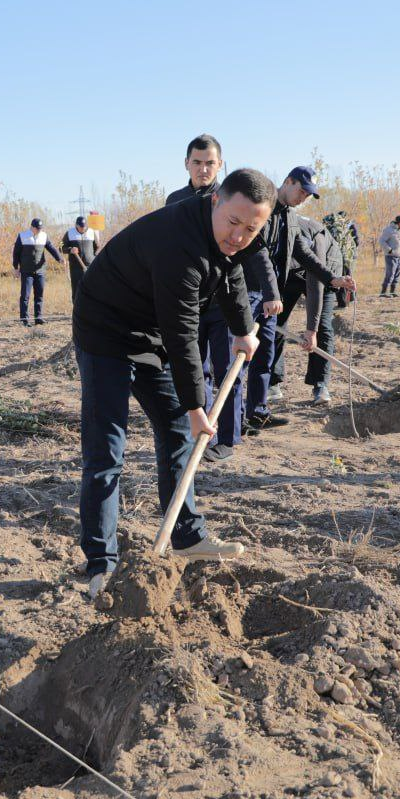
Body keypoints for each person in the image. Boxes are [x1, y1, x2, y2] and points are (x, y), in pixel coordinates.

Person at [73, 168, 273, 600]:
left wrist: (242, 328)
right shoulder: (178, 244)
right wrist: (197, 406)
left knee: (178, 431)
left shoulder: (229, 239)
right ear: (216, 199)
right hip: (105, 328)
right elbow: (182, 332)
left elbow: (232, 274)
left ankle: (185, 535)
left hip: (149, 332)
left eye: (251, 229)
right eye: (234, 223)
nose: (239, 236)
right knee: (107, 447)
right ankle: (101, 564)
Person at [165, 135, 280, 459]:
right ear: (187, 163)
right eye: (197, 162)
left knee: (227, 369)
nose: (203, 169)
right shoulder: (175, 201)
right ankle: (198, 436)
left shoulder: (233, 199)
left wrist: (271, 293)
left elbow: (257, 251)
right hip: (189, 304)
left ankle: (227, 440)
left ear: (220, 165)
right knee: (193, 371)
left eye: (210, 163)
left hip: (224, 303)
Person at [264, 168, 356, 410]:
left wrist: (310, 329)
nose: (303, 198)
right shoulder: (277, 217)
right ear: (288, 182)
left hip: (325, 269)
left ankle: (320, 385)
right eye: (302, 191)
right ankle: (273, 383)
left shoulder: (312, 239)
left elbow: (314, 280)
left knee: (322, 327)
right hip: (292, 272)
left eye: (308, 195)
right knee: (277, 322)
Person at [11, 218, 61, 326]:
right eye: (37, 229)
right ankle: (24, 319)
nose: (39, 230)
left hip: (40, 271)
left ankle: (38, 318)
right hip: (26, 271)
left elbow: (51, 248)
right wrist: (16, 267)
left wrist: (59, 258)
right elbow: (16, 253)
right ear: (32, 227)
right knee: (25, 295)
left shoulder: (44, 236)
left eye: (40, 229)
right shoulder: (22, 236)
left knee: (39, 295)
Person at [61, 216, 100, 304]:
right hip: (75, 267)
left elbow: (97, 246)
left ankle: (91, 310)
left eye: (84, 227)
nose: (83, 229)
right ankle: (77, 311)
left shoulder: (91, 232)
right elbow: (60, 247)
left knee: (91, 289)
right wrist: (70, 250)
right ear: (76, 225)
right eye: (81, 227)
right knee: (77, 290)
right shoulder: (69, 233)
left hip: (90, 266)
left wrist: (91, 257)